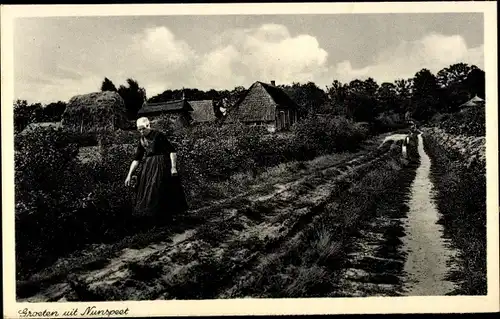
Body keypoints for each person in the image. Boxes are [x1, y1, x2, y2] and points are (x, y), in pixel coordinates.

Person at [125, 117, 188, 231]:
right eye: (139, 130)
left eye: (143, 129)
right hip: (149, 167)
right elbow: (137, 159)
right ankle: (152, 220)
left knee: (159, 188)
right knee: (145, 189)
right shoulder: (142, 140)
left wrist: (173, 167)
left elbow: (172, 151)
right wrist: (129, 175)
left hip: (161, 165)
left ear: (148, 126)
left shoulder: (158, 136)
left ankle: (165, 219)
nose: (141, 132)